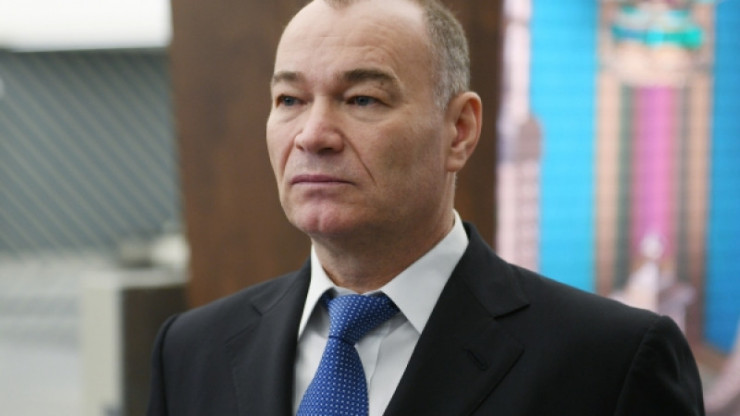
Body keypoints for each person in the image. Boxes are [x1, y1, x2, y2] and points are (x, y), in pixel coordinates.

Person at [147, 0, 705, 414]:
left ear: (459, 130)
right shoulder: (191, 351)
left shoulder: (611, 362)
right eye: (290, 99)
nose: (312, 135)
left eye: (362, 99)